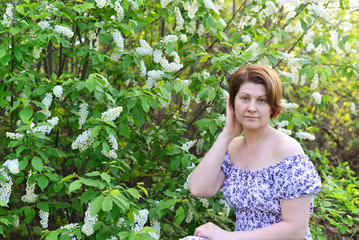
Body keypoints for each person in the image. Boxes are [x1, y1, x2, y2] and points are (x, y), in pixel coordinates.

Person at [180, 64, 322, 240]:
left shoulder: (287, 151)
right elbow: (199, 188)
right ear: (232, 103)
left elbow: (296, 231)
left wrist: (227, 236)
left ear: (273, 107)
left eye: (261, 100)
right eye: (245, 98)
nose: (252, 108)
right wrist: (227, 135)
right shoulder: (233, 147)